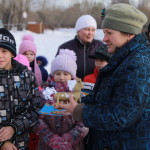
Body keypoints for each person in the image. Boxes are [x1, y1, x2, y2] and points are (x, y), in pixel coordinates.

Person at [58, 3, 150, 150]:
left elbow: (122, 116)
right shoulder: (124, 56)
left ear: (129, 33)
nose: (104, 38)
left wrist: (80, 111)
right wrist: (75, 98)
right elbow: (106, 98)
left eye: (109, 33)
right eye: (104, 32)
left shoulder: (138, 64)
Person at [34, 49, 88, 150]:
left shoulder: (80, 94)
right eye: (58, 73)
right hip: (48, 145)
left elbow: (84, 120)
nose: (62, 77)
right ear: (52, 74)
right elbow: (38, 119)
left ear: (72, 75)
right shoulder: (45, 93)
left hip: (73, 146)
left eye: (66, 74)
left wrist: (69, 139)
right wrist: (52, 139)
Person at [0, 28, 43, 149]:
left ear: (12, 53)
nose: (0, 55)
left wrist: (14, 127)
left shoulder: (26, 75)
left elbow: (35, 108)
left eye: (4, 51)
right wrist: (1, 143)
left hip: (21, 143)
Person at [56, 14, 103, 80]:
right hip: (71, 88)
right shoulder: (65, 48)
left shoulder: (101, 47)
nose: (90, 33)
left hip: (95, 87)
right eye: (87, 29)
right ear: (78, 31)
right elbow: (57, 71)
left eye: (93, 30)